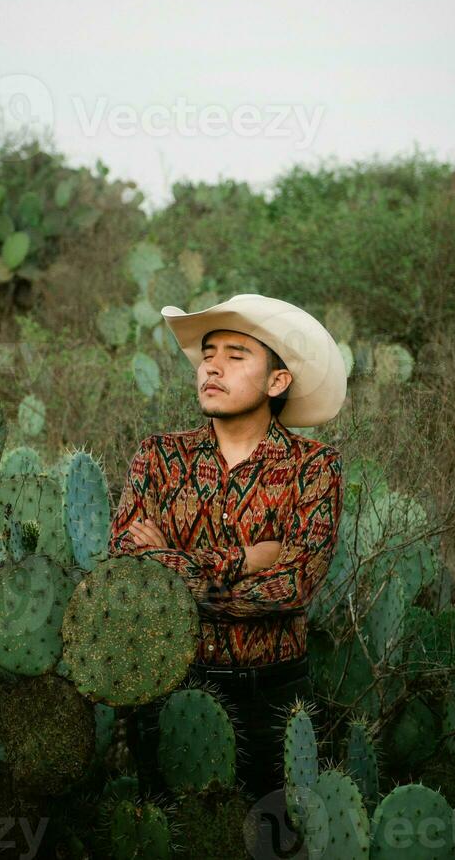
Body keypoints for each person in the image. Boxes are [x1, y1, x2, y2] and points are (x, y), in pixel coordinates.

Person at [107, 294, 346, 849]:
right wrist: (238, 560)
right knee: (170, 842)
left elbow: (292, 587)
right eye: (207, 353)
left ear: (277, 382)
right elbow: (126, 561)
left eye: (236, 355)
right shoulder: (159, 458)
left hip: (271, 702)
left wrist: (174, 567)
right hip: (168, 687)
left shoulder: (314, 468)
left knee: (270, 844)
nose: (210, 366)